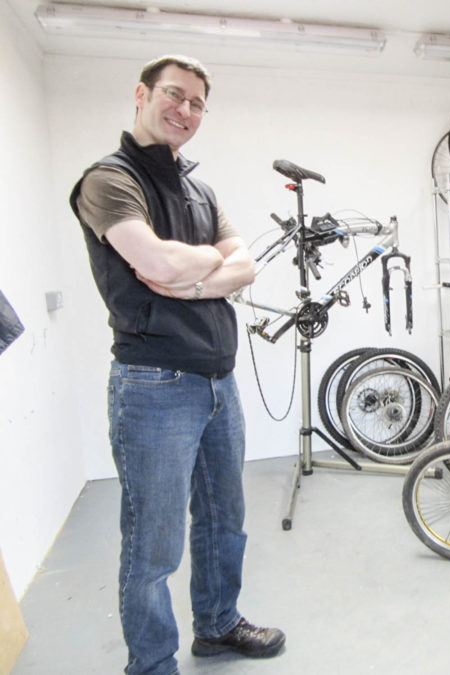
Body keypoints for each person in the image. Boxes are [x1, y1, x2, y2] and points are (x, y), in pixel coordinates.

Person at [70, 55, 285, 674]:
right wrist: (200, 264)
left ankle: (217, 625)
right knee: (153, 542)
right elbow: (155, 266)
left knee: (224, 519)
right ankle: (152, 662)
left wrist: (190, 280)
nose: (184, 111)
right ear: (141, 94)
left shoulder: (199, 189)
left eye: (196, 103)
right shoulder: (108, 181)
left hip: (220, 380)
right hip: (153, 385)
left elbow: (245, 264)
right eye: (174, 95)